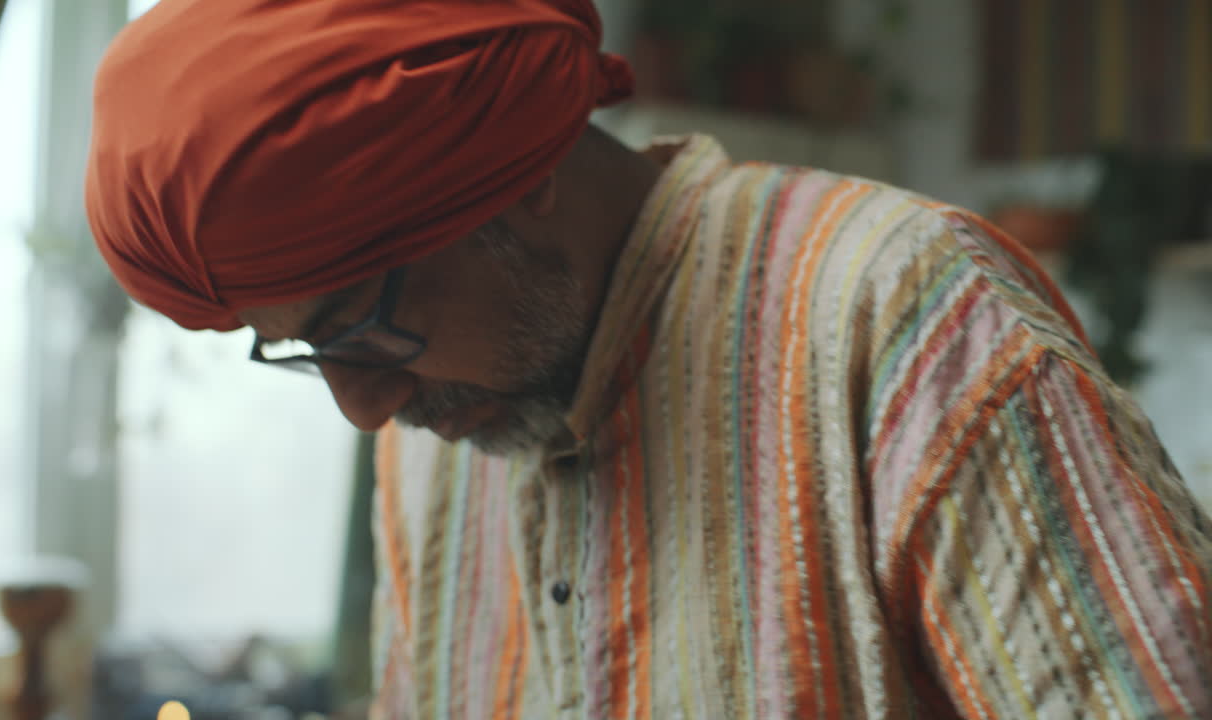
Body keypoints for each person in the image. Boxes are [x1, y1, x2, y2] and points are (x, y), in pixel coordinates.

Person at [85, 0, 1212, 717]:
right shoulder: (434, 436)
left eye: (360, 319)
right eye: (297, 349)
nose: (362, 409)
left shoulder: (904, 317)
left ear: (515, 172)